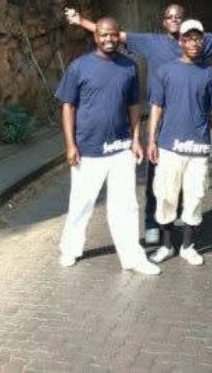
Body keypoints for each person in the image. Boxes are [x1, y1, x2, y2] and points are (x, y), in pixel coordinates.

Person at [65, 4, 212, 245]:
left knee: (185, 177)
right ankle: (153, 223)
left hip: (189, 121)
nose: (173, 20)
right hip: (162, 120)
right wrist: (80, 21)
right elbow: (112, 34)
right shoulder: (150, 42)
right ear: (163, 21)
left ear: (184, 21)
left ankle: (179, 220)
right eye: (169, 17)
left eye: (178, 17)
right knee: (156, 177)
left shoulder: (199, 41)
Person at [55, 16, 160, 275]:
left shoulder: (129, 66)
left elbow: (134, 105)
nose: (109, 39)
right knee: (81, 203)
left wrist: (136, 139)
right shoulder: (79, 67)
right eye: (103, 34)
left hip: (121, 148)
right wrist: (70, 145)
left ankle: (133, 257)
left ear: (118, 35)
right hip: (88, 149)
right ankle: (70, 249)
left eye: (113, 34)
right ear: (96, 37)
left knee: (126, 205)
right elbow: (68, 106)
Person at [147, 19, 212, 266]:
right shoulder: (165, 71)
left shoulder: (211, 72)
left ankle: (188, 246)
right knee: (166, 196)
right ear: (181, 41)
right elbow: (156, 107)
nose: (194, 42)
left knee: (195, 196)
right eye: (189, 38)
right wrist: (151, 140)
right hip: (169, 147)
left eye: (198, 38)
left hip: (198, 148)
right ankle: (166, 245)